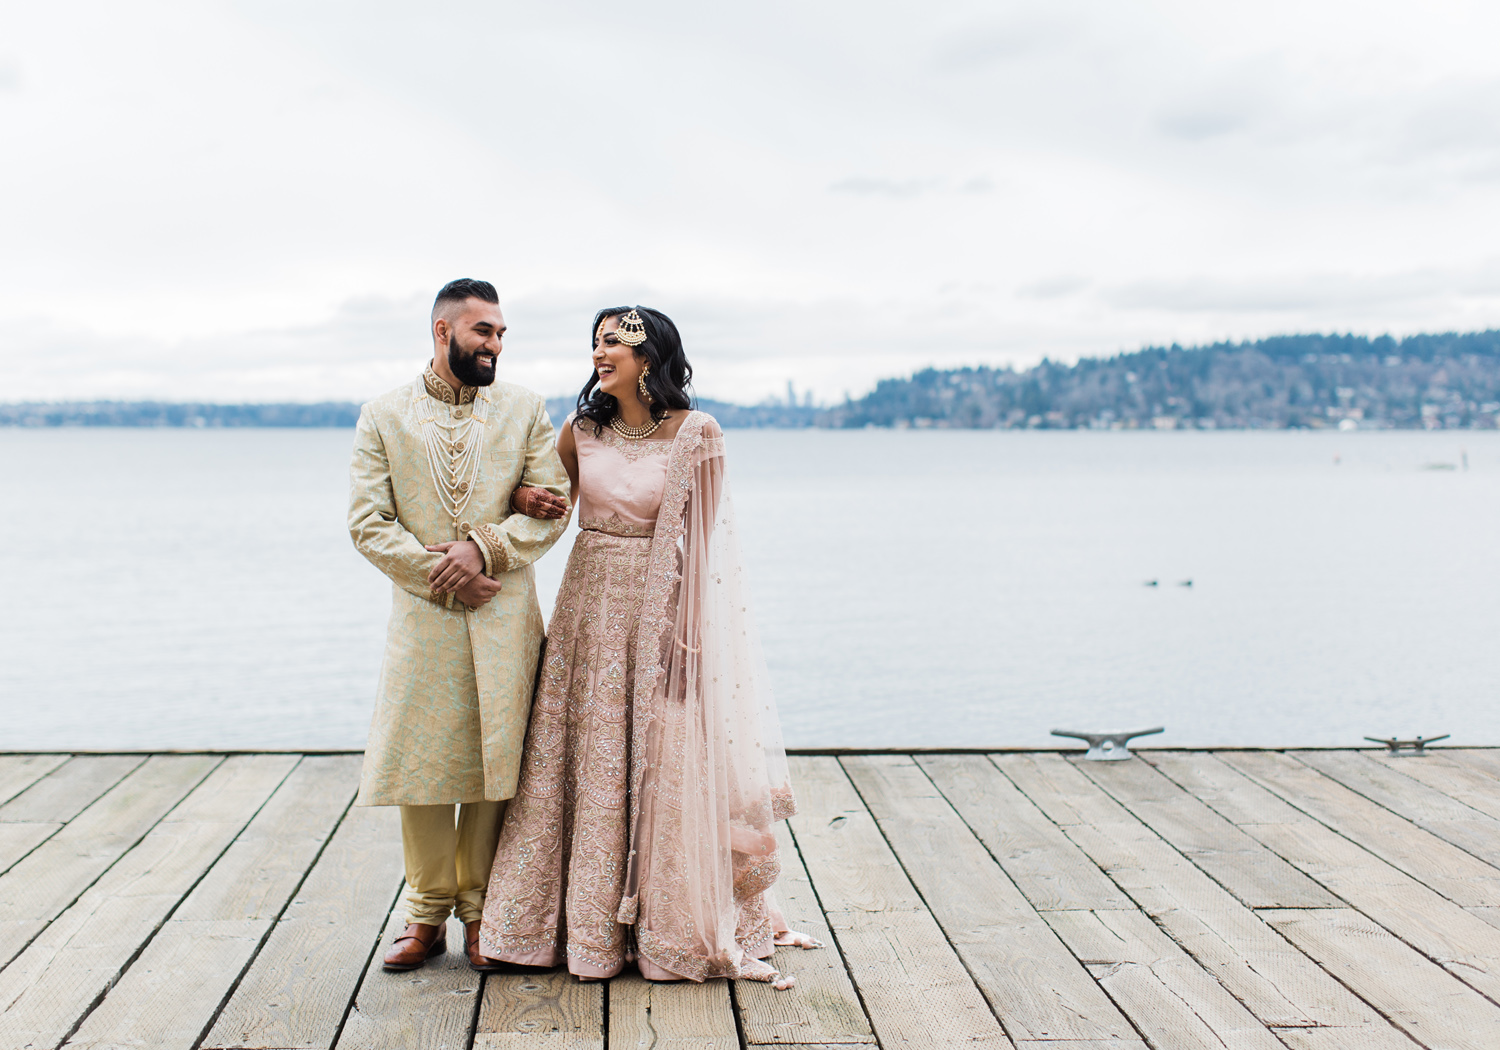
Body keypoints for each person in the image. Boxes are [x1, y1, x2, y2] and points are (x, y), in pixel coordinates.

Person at [477, 305, 818, 986]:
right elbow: (550, 504)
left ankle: (662, 922)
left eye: (613, 344)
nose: (600, 354)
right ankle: (571, 925)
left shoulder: (698, 434)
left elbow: (704, 544)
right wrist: (515, 499)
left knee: (666, 747)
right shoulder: (580, 429)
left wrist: (687, 638)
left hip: (661, 608)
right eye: (596, 343)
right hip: (586, 605)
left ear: (649, 356)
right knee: (581, 752)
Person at [348, 278, 571, 973]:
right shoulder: (383, 415)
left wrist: (486, 551)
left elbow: (552, 505)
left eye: (502, 334)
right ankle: (424, 915)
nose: (496, 345)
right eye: (484, 332)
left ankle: (482, 914)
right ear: (444, 331)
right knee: (423, 767)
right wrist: (443, 574)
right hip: (425, 618)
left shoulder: (526, 410)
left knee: (493, 764)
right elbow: (367, 523)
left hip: (504, 614)